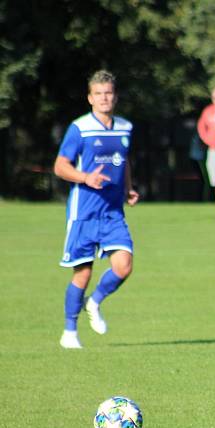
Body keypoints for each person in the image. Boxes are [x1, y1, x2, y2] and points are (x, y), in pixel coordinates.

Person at [53, 70, 139, 349]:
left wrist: (128, 188)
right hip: (84, 213)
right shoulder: (80, 129)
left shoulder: (125, 127)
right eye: (99, 94)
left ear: (115, 96)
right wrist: (86, 177)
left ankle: (95, 301)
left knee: (124, 265)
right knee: (83, 273)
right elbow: (60, 166)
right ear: (90, 97)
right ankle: (69, 332)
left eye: (109, 93)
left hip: (113, 212)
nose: (104, 98)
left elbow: (123, 161)